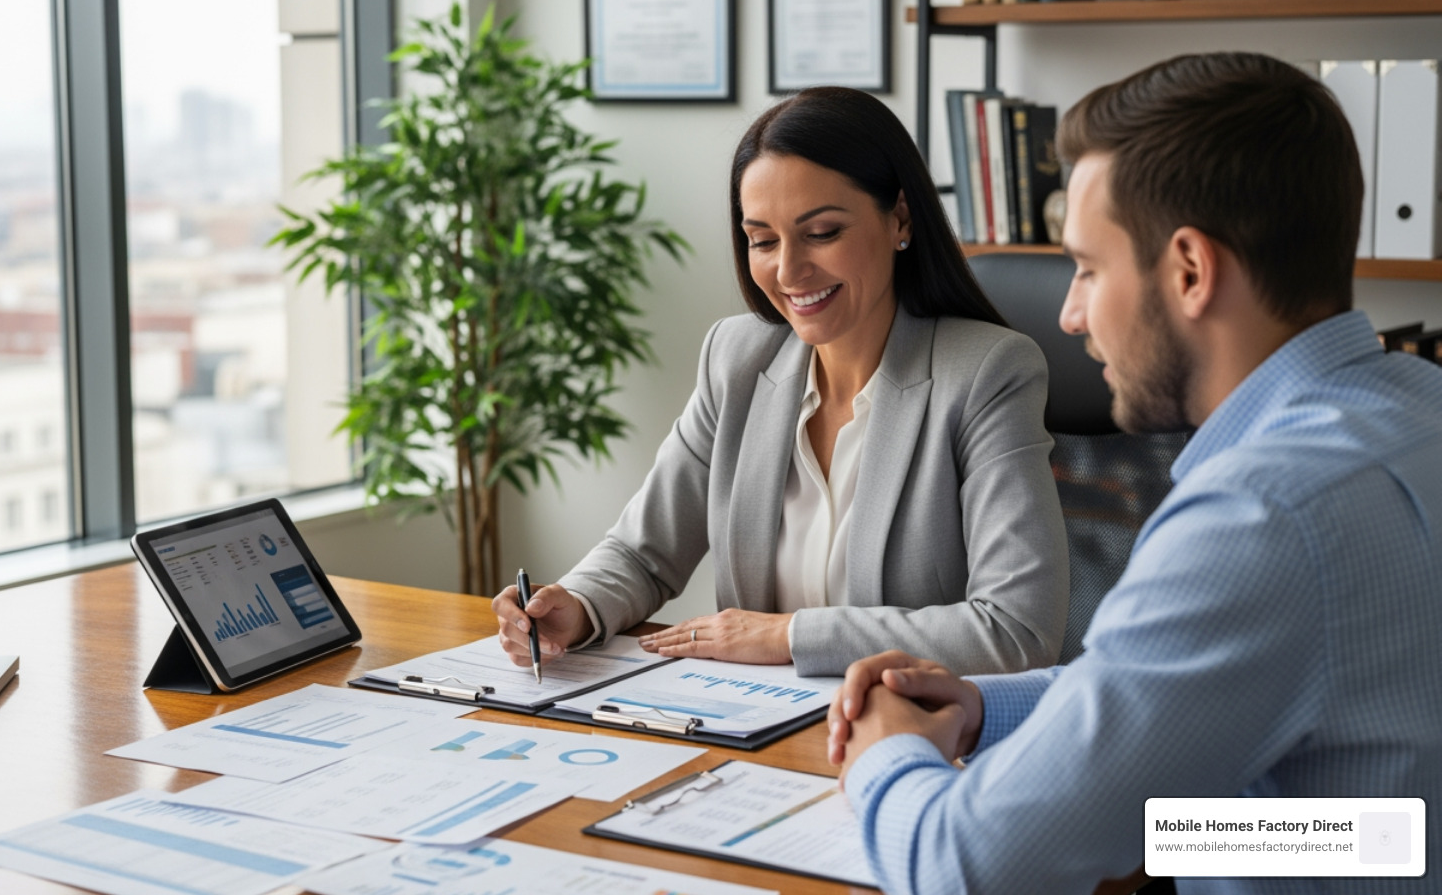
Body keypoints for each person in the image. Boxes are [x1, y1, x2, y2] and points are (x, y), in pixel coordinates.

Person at [828, 53, 1442, 893]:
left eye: (1086, 267)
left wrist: (883, 754)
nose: (1071, 315)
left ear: (1189, 270)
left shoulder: (1262, 516)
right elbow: (1375, 824)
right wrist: (984, 706)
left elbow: (962, 868)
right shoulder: (1418, 407)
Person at [491, 86, 1069, 677]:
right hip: (758, 730)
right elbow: (645, 552)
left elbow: (1016, 630)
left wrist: (789, 635)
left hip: (915, 730)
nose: (788, 271)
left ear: (899, 218)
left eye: (821, 233)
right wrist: (578, 605)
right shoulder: (737, 358)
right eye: (762, 241)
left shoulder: (985, 373)